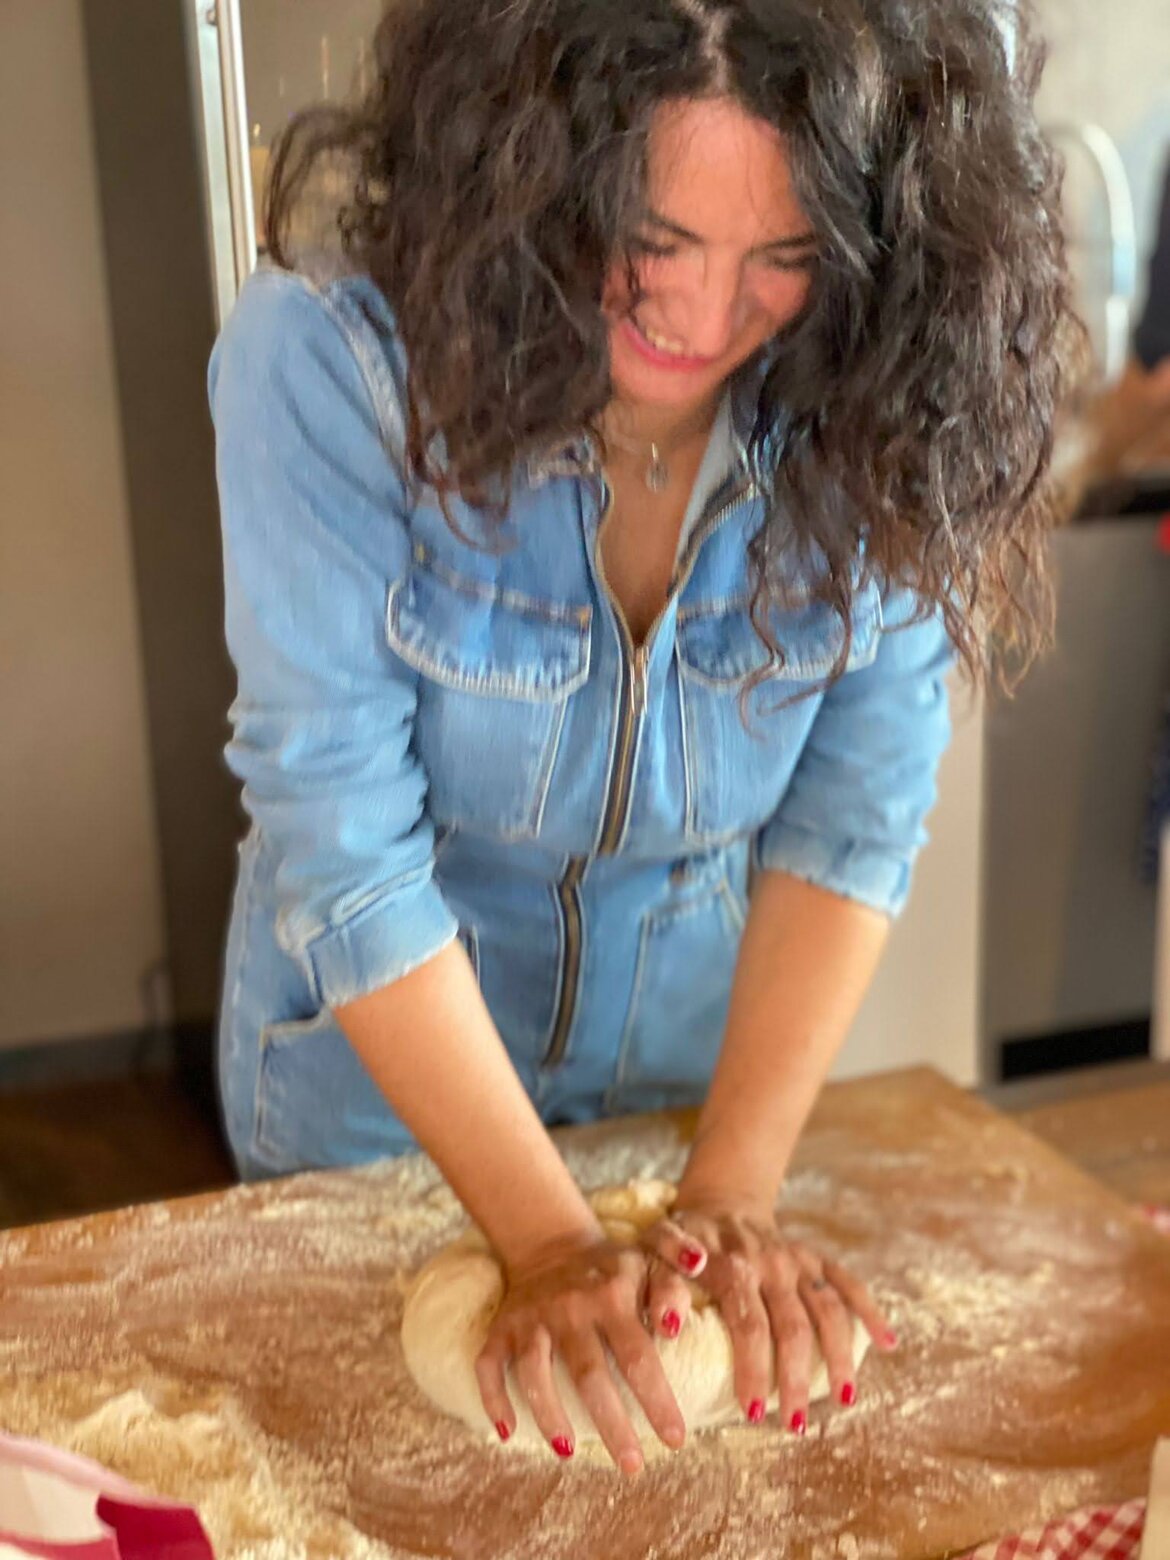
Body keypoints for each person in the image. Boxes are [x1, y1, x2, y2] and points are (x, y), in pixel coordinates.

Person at [209, 0, 1075, 1476]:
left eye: (783, 254)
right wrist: (545, 1242)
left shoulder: (876, 406)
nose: (704, 316)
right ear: (527, 173)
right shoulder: (332, 368)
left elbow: (852, 819)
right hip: (371, 1119)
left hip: (679, 1103)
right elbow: (341, 845)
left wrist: (730, 1192)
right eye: (651, 239)